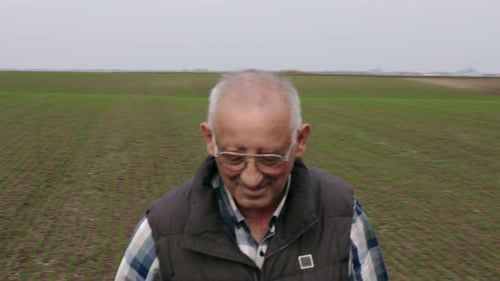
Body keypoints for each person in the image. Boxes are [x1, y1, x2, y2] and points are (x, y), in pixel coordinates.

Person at [114, 70, 388, 281]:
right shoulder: (162, 228)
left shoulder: (342, 215)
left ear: (300, 140)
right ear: (210, 139)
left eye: (270, 159)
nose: (251, 178)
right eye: (233, 158)